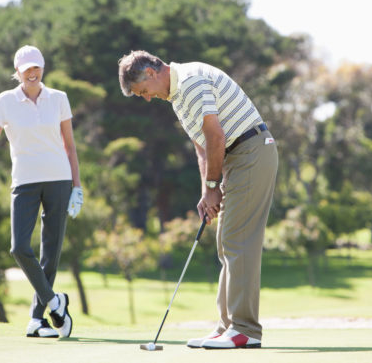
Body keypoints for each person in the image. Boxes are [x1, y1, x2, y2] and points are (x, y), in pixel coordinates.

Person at [118, 50, 278, 349]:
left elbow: (216, 136)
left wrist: (214, 186)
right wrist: (207, 192)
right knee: (226, 243)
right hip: (235, 158)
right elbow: (202, 147)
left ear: (152, 73)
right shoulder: (177, 96)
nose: (147, 98)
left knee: (238, 241)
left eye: (143, 91)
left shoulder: (190, 81)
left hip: (252, 151)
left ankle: (245, 330)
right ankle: (227, 326)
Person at [0, 45, 83, 338]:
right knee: (19, 247)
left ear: (43, 68)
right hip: (24, 182)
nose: (32, 72)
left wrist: (77, 186)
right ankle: (55, 301)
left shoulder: (59, 99)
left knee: (50, 253)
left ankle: (36, 320)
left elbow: (70, 145)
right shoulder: (5, 101)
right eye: (26, 68)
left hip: (58, 180)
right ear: (17, 72)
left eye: (36, 67)